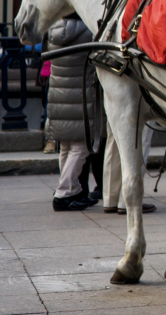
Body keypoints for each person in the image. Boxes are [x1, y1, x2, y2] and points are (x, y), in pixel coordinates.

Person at [46, 14, 99, 212]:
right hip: (80, 95)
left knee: (66, 145)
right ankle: (64, 192)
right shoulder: (88, 31)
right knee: (81, 146)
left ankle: (73, 188)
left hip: (59, 94)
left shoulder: (54, 29)